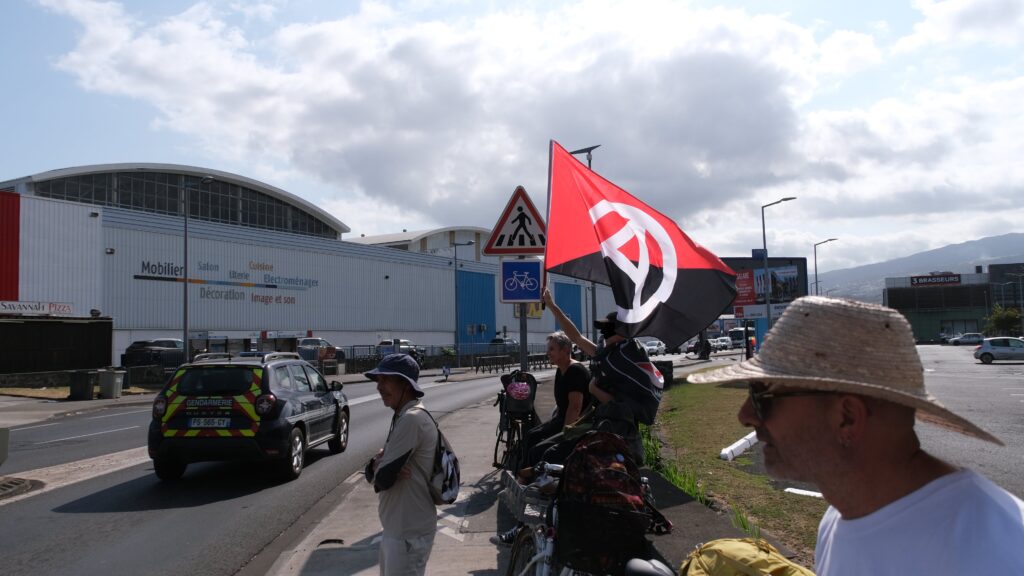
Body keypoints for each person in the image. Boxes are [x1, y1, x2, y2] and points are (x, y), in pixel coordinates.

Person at [690, 296, 1024, 575]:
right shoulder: (841, 515)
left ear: (847, 417)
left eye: (762, 396)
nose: (744, 415)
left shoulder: (997, 552)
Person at [541, 287, 661, 464]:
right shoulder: (608, 354)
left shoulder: (621, 361)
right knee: (547, 452)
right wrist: (552, 306)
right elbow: (576, 337)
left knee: (549, 454)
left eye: (607, 329)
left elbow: (617, 404)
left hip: (616, 430)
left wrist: (593, 388)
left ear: (620, 333)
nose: (603, 333)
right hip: (603, 424)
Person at [363, 354, 438, 576]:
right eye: (378, 380)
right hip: (399, 529)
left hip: (408, 532)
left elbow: (383, 480)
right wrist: (376, 466)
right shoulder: (402, 415)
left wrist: (380, 468)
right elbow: (377, 471)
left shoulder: (411, 419)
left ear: (405, 384)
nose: (379, 386)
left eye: (386, 380)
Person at [524, 331, 591, 469]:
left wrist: (564, 436)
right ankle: (523, 476)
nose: (548, 353)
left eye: (552, 349)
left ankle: (530, 481)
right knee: (531, 435)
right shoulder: (561, 370)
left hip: (574, 426)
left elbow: (575, 407)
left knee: (538, 450)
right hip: (559, 419)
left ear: (565, 350)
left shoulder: (575, 371)